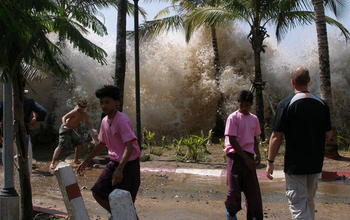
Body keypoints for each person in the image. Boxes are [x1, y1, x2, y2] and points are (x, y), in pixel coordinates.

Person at [266, 66, 332, 220]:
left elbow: (276, 136)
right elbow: (328, 135)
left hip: (295, 166)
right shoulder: (321, 105)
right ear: (309, 80)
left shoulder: (286, 104)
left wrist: (270, 162)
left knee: (299, 208)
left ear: (292, 82)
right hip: (315, 165)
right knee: (309, 203)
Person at [77, 85, 141, 216]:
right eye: (101, 102)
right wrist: (87, 160)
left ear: (116, 102)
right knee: (98, 192)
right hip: (114, 163)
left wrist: (120, 169)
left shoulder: (122, 120)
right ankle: (121, 215)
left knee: (126, 203)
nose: (103, 105)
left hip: (128, 165)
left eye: (107, 102)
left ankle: (123, 215)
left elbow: (129, 147)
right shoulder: (105, 120)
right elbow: (102, 143)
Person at [224, 90, 263, 220]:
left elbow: (254, 138)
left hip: (249, 155)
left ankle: (254, 217)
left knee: (253, 192)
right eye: (241, 105)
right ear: (238, 103)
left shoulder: (254, 119)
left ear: (251, 104)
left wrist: (257, 154)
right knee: (234, 189)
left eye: (246, 105)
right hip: (235, 156)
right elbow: (233, 140)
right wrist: (246, 159)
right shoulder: (233, 118)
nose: (244, 108)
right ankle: (231, 212)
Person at [0, 86, 47, 175]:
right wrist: (33, 125)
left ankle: (9, 179)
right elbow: (43, 112)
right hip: (23, 132)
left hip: (8, 133)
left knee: (8, 157)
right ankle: (26, 179)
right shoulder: (29, 102)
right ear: (22, 93)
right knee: (26, 156)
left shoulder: (4, 103)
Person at [50, 99, 96, 170]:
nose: (83, 108)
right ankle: (52, 163)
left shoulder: (84, 114)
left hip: (72, 130)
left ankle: (76, 159)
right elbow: (64, 117)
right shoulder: (75, 111)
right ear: (78, 105)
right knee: (61, 146)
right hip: (65, 129)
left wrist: (92, 129)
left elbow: (86, 122)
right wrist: (64, 125)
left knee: (79, 144)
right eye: (81, 106)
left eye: (84, 107)